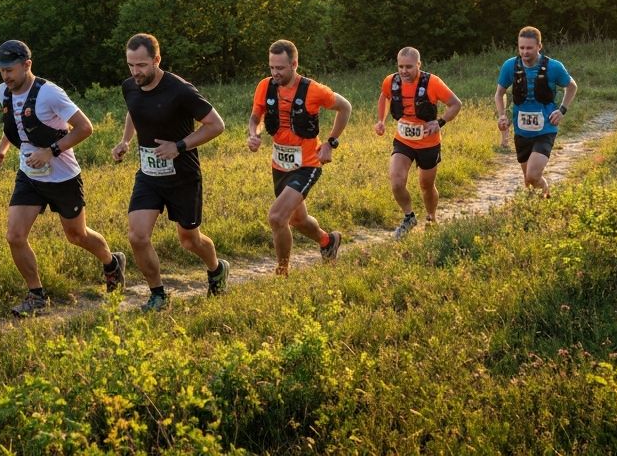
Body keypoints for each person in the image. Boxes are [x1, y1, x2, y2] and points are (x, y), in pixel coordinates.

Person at [0, 39, 125, 315]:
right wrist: (2, 149)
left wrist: (50, 151)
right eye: (1, 70)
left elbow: (85, 128)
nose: (5, 76)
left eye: (10, 69)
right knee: (15, 235)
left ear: (27, 65)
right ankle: (36, 295)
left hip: (62, 175)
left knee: (76, 235)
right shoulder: (4, 91)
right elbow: (14, 123)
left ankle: (111, 263)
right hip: (29, 174)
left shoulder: (50, 94)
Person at [111, 33, 229, 311]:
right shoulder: (130, 87)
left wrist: (180, 145)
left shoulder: (180, 90)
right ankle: (158, 295)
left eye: (141, 65)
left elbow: (216, 125)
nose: (135, 72)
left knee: (190, 240)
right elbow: (134, 111)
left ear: (157, 60)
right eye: (130, 65)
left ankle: (216, 268)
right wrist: (125, 141)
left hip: (183, 176)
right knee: (137, 236)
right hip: (149, 176)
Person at [247, 39, 351, 274]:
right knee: (298, 220)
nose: (275, 73)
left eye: (280, 68)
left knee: (276, 217)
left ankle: (282, 271)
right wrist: (254, 134)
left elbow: (345, 107)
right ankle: (328, 241)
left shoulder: (313, 90)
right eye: (272, 67)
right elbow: (256, 117)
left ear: (294, 64)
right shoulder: (265, 86)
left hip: (307, 164)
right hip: (280, 165)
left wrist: (330, 143)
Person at [374, 47, 461, 238]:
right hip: (403, 140)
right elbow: (385, 96)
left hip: (428, 143)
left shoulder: (432, 83)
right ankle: (409, 217)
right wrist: (381, 120)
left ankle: (431, 216)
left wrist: (439, 122)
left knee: (426, 185)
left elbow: (456, 104)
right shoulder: (391, 81)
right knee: (396, 181)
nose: (404, 71)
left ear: (419, 65)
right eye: (401, 66)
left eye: (409, 67)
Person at [494, 26, 578, 197]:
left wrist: (562, 110)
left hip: (545, 130)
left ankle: (547, 194)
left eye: (529, 48)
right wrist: (502, 114)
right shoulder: (510, 66)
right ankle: (538, 209)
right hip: (522, 131)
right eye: (521, 47)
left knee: (533, 175)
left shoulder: (554, 67)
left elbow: (572, 86)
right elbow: (499, 93)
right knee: (528, 181)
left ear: (539, 46)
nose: (525, 52)